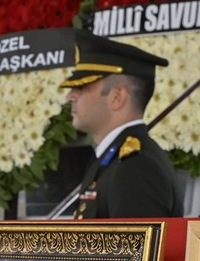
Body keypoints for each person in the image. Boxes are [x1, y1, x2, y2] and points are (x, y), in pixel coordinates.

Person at [61, 31, 182, 218]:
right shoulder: (112, 160)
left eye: (82, 87)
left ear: (117, 97)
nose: (71, 97)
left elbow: (136, 247)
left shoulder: (136, 169)